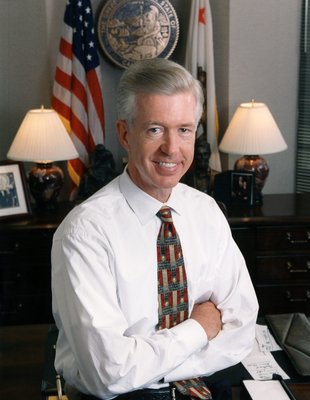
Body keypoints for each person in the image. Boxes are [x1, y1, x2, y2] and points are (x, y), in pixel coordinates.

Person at [51, 58, 259, 400]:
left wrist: (144, 363)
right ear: (124, 134)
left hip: (207, 388)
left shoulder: (205, 212)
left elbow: (241, 331)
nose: (172, 149)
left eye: (184, 129)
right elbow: (109, 374)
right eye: (154, 129)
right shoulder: (85, 233)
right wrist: (199, 328)